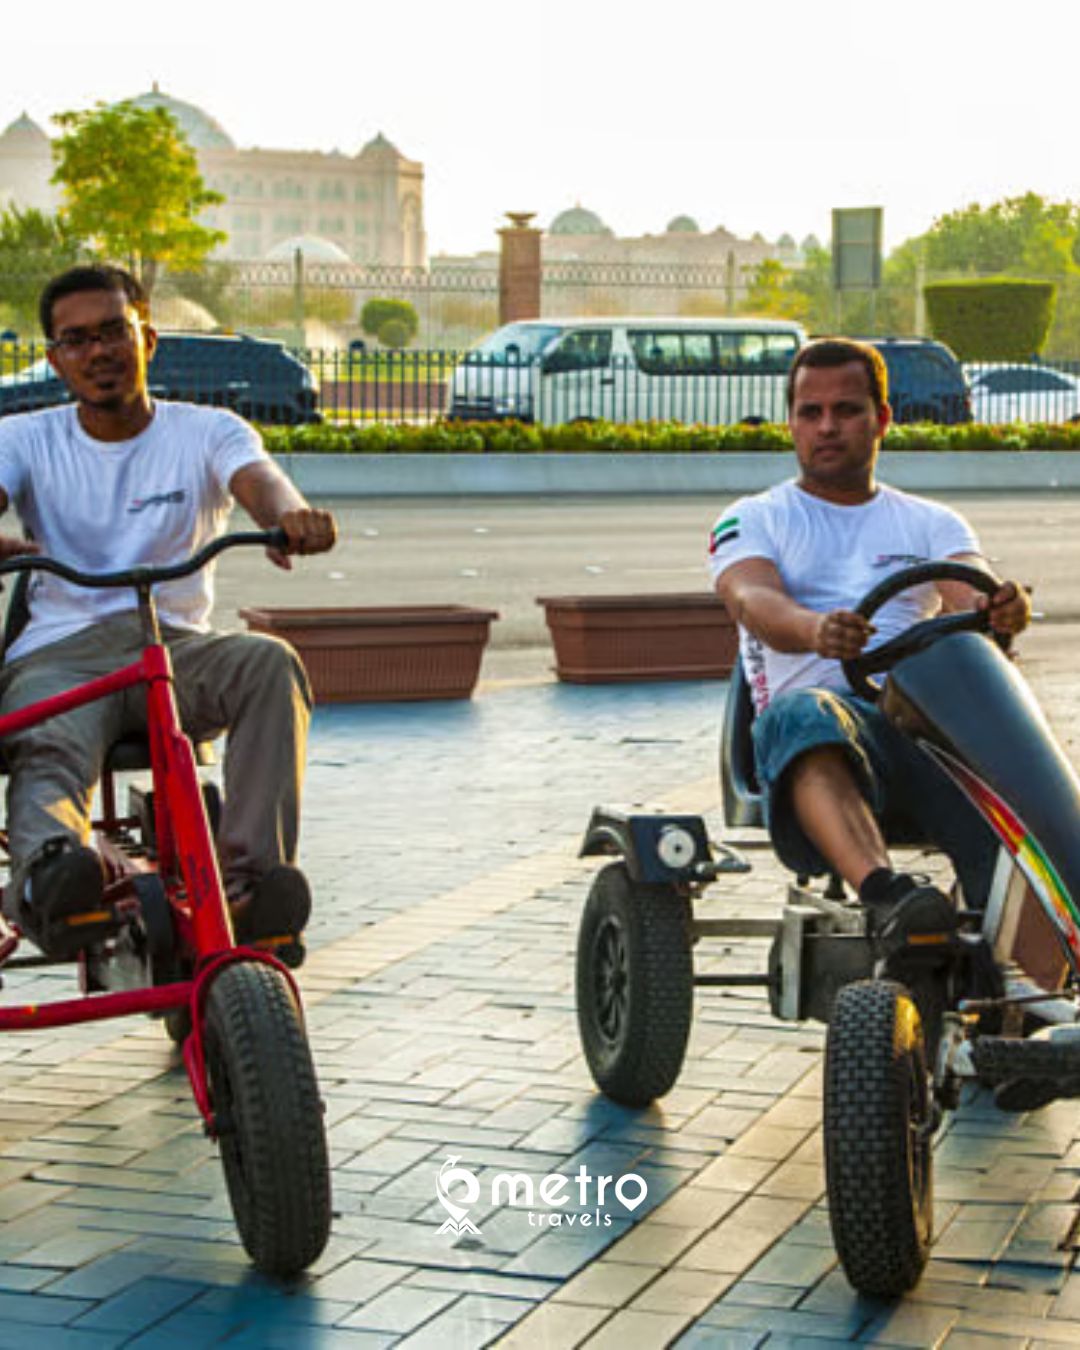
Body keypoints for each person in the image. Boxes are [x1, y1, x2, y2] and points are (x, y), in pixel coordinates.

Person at [0, 263, 337, 963]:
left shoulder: (207, 429)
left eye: (114, 332)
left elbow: (262, 482)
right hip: (63, 651)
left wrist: (289, 517)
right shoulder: (25, 438)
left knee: (269, 663)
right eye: (76, 339)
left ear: (147, 339)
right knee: (47, 741)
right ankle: (51, 878)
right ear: (56, 358)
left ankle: (249, 885)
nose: (99, 352)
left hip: (176, 649)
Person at [709, 337, 1032, 957]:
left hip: (922, 733)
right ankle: (888, 896)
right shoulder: (755, 518)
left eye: (847, 410)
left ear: (882, 419)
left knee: (1015, 750)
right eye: (811, 413)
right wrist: (815, 631)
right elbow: (752, 600)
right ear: (792, 424)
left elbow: (970, 592)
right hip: (811, 730)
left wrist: (999, 611)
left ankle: (1020, 977)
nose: (827, 427)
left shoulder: (931, 522)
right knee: (805, 711)